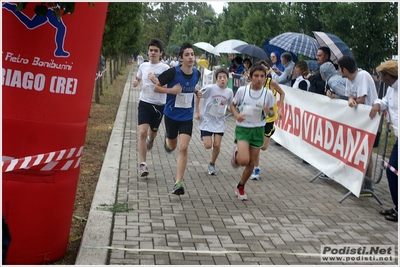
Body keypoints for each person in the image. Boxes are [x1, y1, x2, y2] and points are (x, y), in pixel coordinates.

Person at [154, 42, 202, 196]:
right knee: (173, 146)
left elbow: (191, 87)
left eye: (192, 54)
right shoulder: (172, 73)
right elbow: (157, 87)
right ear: (181, 58)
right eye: (187, 55)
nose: (190, 57)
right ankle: (168, 140)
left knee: (183, 148)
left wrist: (196, 92)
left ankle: (178, 182)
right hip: (171, 115)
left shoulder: (197, 73)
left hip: (187, 117)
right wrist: (171, 90)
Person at [229, 64, 275, 200]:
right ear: (250, 77)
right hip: (243, 129)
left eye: (262, 76)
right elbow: (232, 105)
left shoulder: (268, 93)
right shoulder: (243, 90)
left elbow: (272, 111)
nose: (259, 79)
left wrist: (269, 111)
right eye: (256, 76)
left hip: (258, 129)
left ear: (266, 77)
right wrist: (237, 116)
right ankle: (236, 156)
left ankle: (241, 186)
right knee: (243, 161)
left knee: (252, 163)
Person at [337, 55, 378, 195]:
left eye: (340, 69)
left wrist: (353, 101)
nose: (339, 72)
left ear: (344, 69)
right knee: (359, 149)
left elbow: (361, 97)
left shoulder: (363, 76)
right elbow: (351, 96)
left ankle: (368, 184)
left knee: (367, 152)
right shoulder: (349, 79)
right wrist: (350, 99)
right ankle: (357, 181)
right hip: (359, 120)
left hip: (370, 119)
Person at [132, 38, 170, 177]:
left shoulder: (165, 68)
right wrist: (136, 82)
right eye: (150, 50)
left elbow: (168, 87)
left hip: (159, 105)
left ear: (160, 53)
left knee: (152, 132)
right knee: (142, 132)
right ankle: (143, 164)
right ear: (148, 52)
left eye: (155, 51)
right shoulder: (143, 66)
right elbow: (138, 78)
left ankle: (151, 138)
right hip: (144, 102)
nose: (152, 53)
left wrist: (155, 80)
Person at [369, 60, 398, 222]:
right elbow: (385, 101)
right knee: (392, 171)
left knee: (392, 171)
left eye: (381, 75)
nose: (379, 77)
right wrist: (378, 104)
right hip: (398, 138)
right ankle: (397, 207)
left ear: (387, 75)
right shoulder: (391, 89)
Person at [250, 60, 285, 180]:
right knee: (256, 145)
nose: (262, 73)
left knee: (263, 147)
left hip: (269, 118)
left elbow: (282, 93)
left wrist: (279, 109)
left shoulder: (272, 83)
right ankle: (256, 169)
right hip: (257, 119)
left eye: (264, 70)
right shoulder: (253, 85)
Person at [194, 68, 234, 175]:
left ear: (227, 79)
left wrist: (236, 112)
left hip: (219, 121)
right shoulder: (210, 88)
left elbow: (230, 105)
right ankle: (204, 134)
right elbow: (198, 95)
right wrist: (197, 111)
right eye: (220, 77)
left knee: (217, 145)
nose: (222, 79)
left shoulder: (229, 91)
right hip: (207, 119)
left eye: (224, 77)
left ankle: (212, 164)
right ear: (216, 79)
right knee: (208, 145)